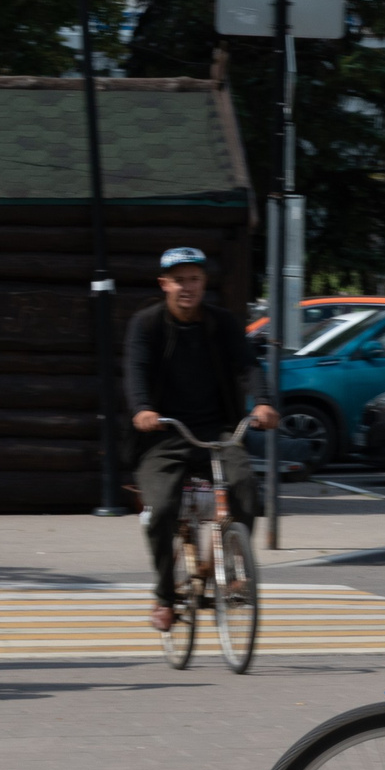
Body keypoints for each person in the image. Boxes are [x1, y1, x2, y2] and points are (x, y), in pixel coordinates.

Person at [125, 247, 277, 631]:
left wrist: (261, 402)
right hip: (164, 434)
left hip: (218, 432)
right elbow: (136, 370)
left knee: (244, 486)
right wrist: (143, 409)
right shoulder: (146, 325)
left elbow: (247, 365)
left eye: (193, 278)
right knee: (159, 511)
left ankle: (236, 569)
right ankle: (164, 595)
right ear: (164, 285)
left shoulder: (222, 323)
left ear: (203, 282)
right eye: (178, 280)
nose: (187, 287)